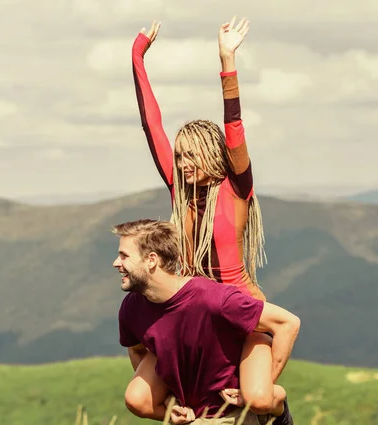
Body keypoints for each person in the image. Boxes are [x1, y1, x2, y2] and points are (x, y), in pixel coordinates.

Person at [131, 16, 294, 423]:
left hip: (241, 310)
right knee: (144, 399)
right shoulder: (179, 191)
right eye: (180, 157)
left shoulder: (237, 188)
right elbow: (152, 125)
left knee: (257, 400)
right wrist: (137, 57)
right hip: (191, 315)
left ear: (212, 155)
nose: (183, 164)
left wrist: (227, 60)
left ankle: (280, 408)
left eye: (191, 156)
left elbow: (234, 126)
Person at [113, 219, 300, 424]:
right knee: (136, 399)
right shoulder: (131, 308)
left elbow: (288, 323)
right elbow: (137, 350)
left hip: (245, 368)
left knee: (259, 399)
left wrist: (265, 385)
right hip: (194, 403)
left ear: (151, 260)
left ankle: (274, 399)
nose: (116, 263)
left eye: (124, 256)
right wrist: (168, 402)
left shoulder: (212, 299)